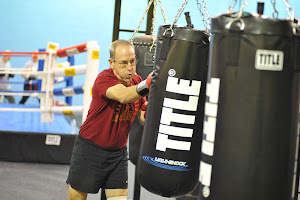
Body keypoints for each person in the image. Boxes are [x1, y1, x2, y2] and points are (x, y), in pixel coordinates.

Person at [66, 40, 151, 200]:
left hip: (117, 154)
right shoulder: (104, 78)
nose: (130, 67)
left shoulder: (136, 81)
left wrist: (154, 111)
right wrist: (148, 83)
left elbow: (142, 117)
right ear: (111, 63)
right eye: (123, 63)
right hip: (90, 150)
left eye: (132, 61)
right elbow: (124, 96)